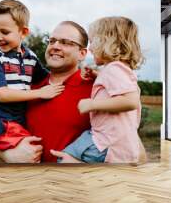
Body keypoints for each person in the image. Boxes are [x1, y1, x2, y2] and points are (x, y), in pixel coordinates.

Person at [0, 21, 93, 163]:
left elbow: (122, 141)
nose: (55, 46)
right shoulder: (24, 87)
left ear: (82, 53)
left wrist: (82, 165)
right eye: (52, 41)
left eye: (65, 42)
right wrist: (7, 155)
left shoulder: (96, 88)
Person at [0, 0, 64, 153]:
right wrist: (40, 93)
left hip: (19, 121)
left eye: (4, 32)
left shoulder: (30, 57)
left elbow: (48, 79)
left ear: (23, 32)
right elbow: (2, 95)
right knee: (32, 152)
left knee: (39, 149)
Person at [60, 16, 147, 164]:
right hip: (119, 143)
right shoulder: (119, 70)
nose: (90, 48)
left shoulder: (113, 69)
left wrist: (91, 104)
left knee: (64, 159)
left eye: (93, 41)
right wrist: (97, 75)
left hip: (106, 144)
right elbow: (118, 88)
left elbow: (130, 101)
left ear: (108, 43)